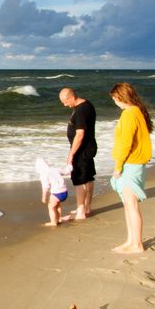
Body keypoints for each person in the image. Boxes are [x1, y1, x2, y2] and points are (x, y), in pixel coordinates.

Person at [108, 82, 153, 254]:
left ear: (120, 97)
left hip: (131, 163)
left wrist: (118, 166)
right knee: (128, 204)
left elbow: (126, 143)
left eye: (114, 98)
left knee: (131, 205)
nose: (114, 102)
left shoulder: (129, 114)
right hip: (135, 162)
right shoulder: (137, 111)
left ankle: (137, 245)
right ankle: (130, 241)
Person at [58, 87, 96, 219]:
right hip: (88, 148)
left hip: (82, 150)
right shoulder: (87, 105)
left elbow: (80, 134)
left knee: (80, 180)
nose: (64, 105)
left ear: (72, 97)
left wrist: (71, 154)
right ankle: (87, 207)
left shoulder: (80, 110)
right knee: (88, 177)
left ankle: (81, 213)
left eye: (65, 101)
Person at [34, 155, 69, 227]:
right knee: (57, 205)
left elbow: (45, 186)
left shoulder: (43, 174)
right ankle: (59, 219)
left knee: (51, 207)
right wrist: (70, 165)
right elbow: (66, 171)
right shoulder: (54, 169)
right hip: (64, 191)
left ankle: (53, 222)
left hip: (56, 193)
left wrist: (44, 197)